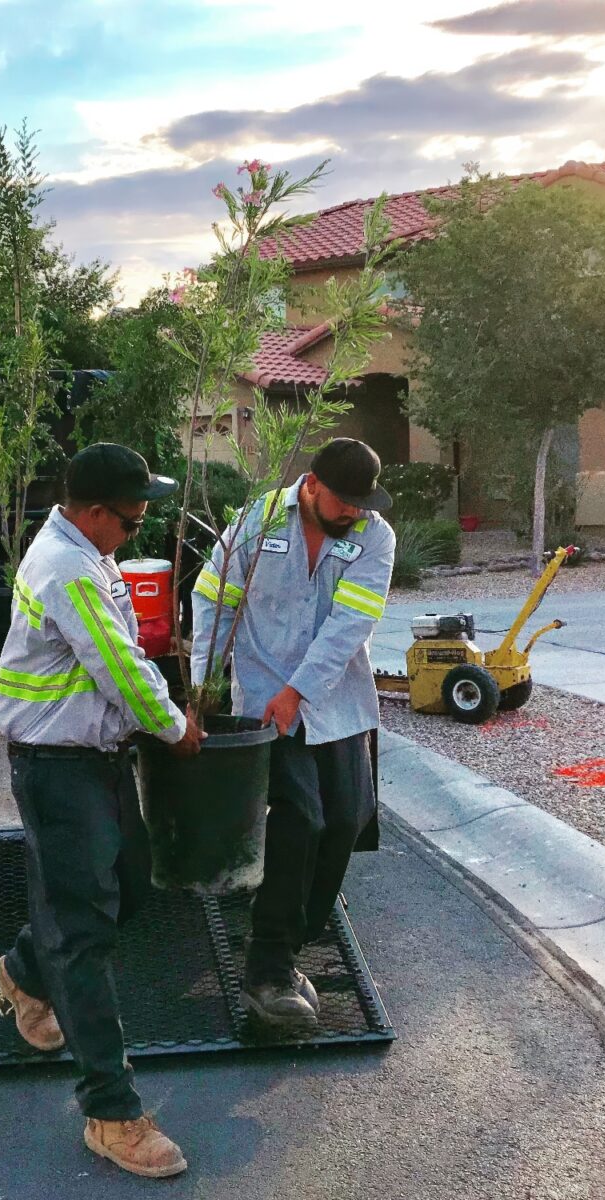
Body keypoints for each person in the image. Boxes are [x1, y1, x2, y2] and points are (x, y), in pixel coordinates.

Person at [0, 442, 204, 1179]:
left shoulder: (88, 549)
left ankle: (22, 970)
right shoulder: (69, 566)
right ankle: (112, 1114)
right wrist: (175, 727)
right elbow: (118, 666)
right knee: (83, 934)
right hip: (58, 769)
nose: (139, 527)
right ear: (92, 511)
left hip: (97, 761)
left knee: (130, 890)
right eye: (133, 516)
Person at [191, 437, 395, 1030]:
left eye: (363, 503)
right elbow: (213, 600)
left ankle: (294, 927)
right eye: (343, 502)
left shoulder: (373, 535)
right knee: (299, 819)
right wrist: (207, 685)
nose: (354, 512)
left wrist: (299, 690)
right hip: (263, 703)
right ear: (310, 485)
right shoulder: (255, 524)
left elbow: (348, 627)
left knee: (349, 817)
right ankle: (269, 969)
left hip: (333, 701)